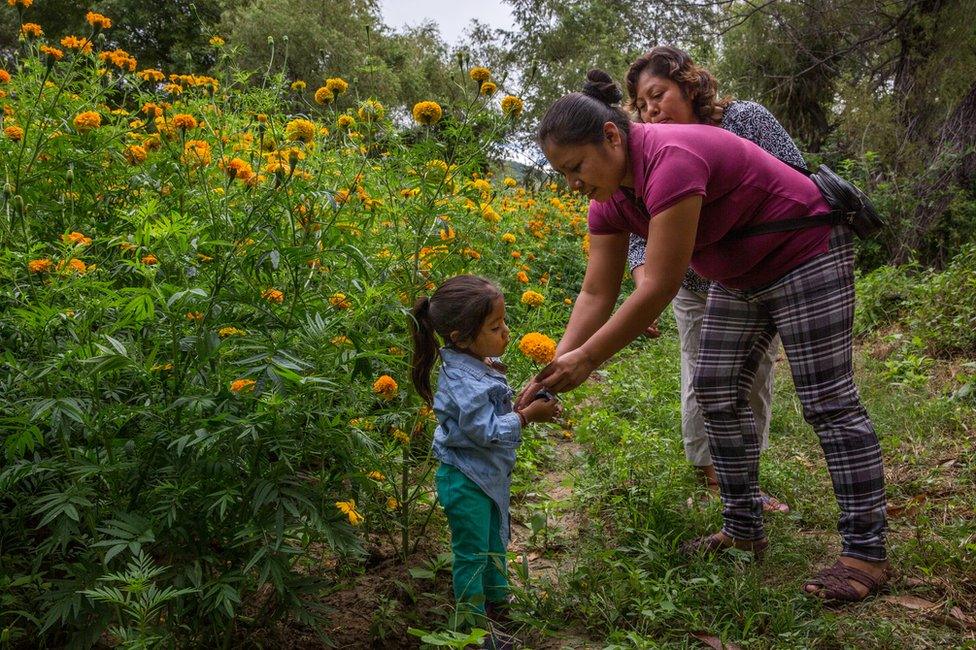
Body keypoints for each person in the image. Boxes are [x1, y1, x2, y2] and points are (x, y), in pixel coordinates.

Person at [518, 70, 888, 602]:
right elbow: (597, 293)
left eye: (576, 168)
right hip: (741, 277)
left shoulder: (670, 157)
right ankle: (742, 531)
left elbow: (662, 284)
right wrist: (558, 364)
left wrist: (588, 361)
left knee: (827, 402)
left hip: (806, 251)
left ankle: (865, 554)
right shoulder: (608, 200)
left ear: (611, 136)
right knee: (714, 388)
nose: (573, 185)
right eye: (562, 175)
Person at [624, 46, 798, 512]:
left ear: (690, 85)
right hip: (693, 285)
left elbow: (793, 178)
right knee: (700, 373)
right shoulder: (648, 157)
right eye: (641, 105)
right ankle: (711, 473)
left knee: (754, 373)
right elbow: (640, 238)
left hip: (754, 278)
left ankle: (747, 479)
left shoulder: (746, 120)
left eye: (657, 94)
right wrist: (647, 288)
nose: (650, 109)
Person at [410, 275, 560, 638]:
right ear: (461, 337)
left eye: (503, 322)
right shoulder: (461, 379)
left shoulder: (477, 361)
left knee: (495, 540)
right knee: (472, 555)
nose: (506, 332)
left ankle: (498, 604)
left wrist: (521, 404)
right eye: (495, 326)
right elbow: (486, 431)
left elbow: (490, 417)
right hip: (465, 480)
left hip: (484, 476)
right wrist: (525, 417)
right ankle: (471, 629)